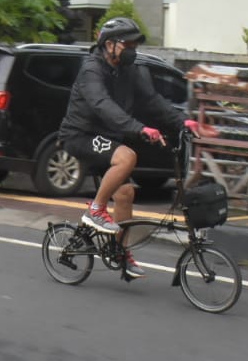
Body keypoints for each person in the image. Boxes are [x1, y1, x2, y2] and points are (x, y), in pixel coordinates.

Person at [57, 16, 205, 279]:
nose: (133, 50)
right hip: (80, 135)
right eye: (128, 45)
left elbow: (153, 101)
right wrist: (139, 128)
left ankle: (120, 252)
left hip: (105, 137)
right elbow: (102, 104)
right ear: (110, 45)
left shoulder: (131, 70)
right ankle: (96, 211)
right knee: (127, 157)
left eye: (135, 45)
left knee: (125, 194)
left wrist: (183, 121)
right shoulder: (92, 69)